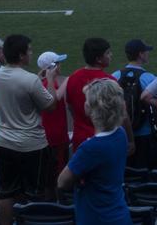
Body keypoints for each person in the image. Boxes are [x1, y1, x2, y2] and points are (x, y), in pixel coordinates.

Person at [0, 34, 57, 225]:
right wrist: (50, 80)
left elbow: (17, 90)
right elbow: (50, 106)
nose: (31, 53)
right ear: (20, 55)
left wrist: (35, 79)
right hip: (31, 145)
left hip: (4, 141)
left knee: (6, 192)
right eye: (28, 50)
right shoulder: (30, 81)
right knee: (35, 193)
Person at [58, 79, 130, 225]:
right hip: (118, 213)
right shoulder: (121, 134)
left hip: (96, 217)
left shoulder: (90, 148)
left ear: (88, 108)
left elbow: (62, 182)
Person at [112, 39, 157, 170]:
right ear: (140, 54)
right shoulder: (148, 78)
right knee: (144, 171)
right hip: (145, 134)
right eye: (146, 51)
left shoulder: (114, 76)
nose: (148, 54)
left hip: (120, 134)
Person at [66, 38, 118, 153]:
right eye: (108, 53)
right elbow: (119, 114)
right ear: (98, 59)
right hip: (104, 139)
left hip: (80, 138)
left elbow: (70, 107)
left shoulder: (73, 77)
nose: (111, 55)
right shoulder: (110, 82)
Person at [37, 50, 70, 196]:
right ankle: (56, 206)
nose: (60, 66)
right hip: (55, 137)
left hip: (48, 136)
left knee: (49, 173)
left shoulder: (41, 84)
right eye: (58, 63)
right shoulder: (49, 85)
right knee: (57, 174)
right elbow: (53, 100)